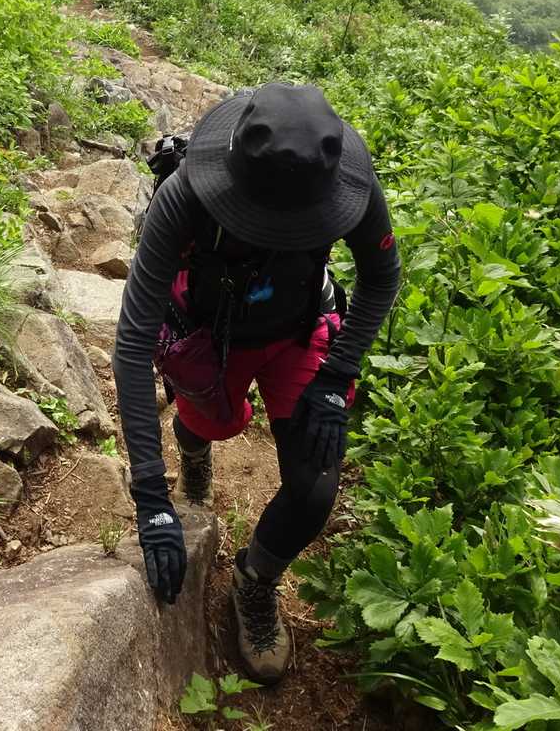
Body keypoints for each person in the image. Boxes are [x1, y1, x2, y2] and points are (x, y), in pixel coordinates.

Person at [113, 82, 401, 682]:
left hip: (300, 329)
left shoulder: (343, 179)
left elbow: (381, 276)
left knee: (314, 490)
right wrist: (151, 497)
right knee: (212, 425)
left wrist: (337, 374)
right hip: (210, 335)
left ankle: (256, 579)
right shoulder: (185, 195)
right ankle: (194, 445)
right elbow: (134, 341)